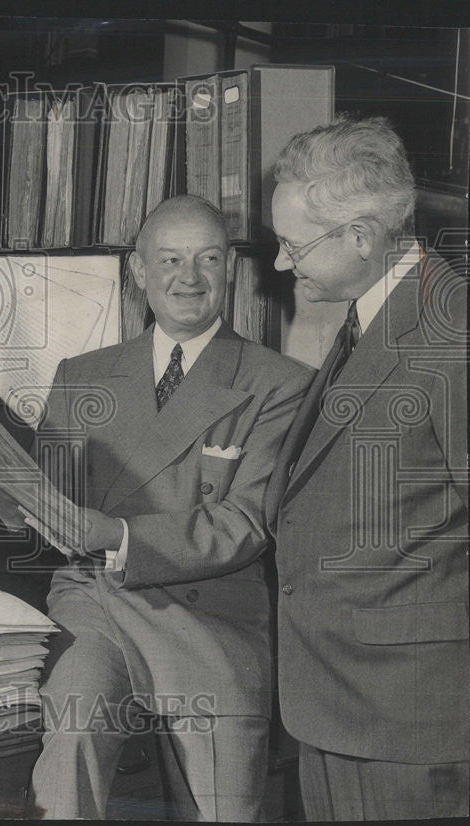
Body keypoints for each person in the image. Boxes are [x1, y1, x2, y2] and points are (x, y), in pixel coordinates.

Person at [0, 195, 314, 819]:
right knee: (70, 749)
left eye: (207, 259)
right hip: (96, 605)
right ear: (138, 271)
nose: (187, 278)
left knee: (224, 806)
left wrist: (115, 532)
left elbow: (245, 526)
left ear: (230, 271)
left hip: (211, 620)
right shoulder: (83, 372)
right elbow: (43, 507)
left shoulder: (279, 383)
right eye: (169, 259)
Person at [264, 116, 469, 820]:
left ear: (359, 236)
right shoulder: (374, 316)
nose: (283, 265)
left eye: (293, 246)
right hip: (339, 700)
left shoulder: (450, 335)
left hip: (408, 719)